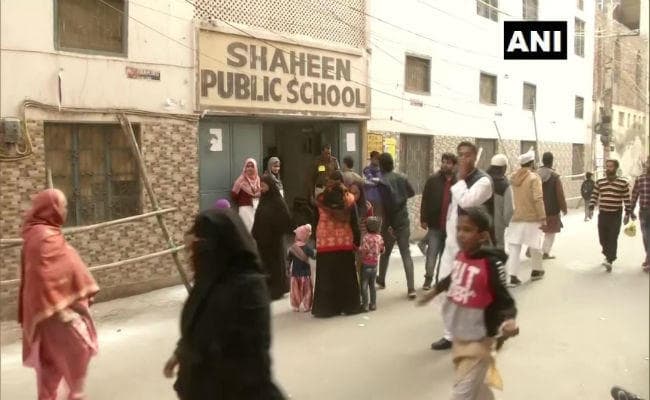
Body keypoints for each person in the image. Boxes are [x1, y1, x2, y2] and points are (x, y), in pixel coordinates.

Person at [163, 209, 285, 400]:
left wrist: (197, 362)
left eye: (199, 244)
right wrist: (180, 353)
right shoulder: (206, 284)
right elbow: (197, 327)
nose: (191, 253)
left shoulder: (249, 287)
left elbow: (248, 358)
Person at [418, 207, 519, 400]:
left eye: (467, 230)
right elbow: (452, 278)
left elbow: (504, 299)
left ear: (483, 236)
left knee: (461, 393)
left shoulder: (491, 265)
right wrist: (433, 292)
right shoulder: (461, 256)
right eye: (459, 229)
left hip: (480, 339)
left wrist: (509, 320)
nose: (461, 235)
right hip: (460, 336)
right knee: (479, 390)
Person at [19, 189, 100, 400]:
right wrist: (60, 311)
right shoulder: (42, 237)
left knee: (51, 367)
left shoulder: (43, 233)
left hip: (48, 313)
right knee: (79, 350)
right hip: (54, 314)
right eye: (63, 206)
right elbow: (42, 277)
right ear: (51, 208)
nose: (65, 211)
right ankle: (76, 394)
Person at [431, 142, 493, 351]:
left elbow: (468, 202)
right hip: (452, 244)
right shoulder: (460, 180)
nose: (463, 159)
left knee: (471, 293)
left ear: (475, 157)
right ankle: (450, 334)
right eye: (460, 155)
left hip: (471, 248)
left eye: (467, 155)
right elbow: (452, 209)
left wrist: (459, 180)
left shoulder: (483, 181)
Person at [311, 174, 362, 318]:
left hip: (325, 242)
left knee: (326, 276)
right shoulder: (350, 199)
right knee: (346, 276)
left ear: (329, 182)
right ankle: (349, 306)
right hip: (344, 242)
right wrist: (357, 242)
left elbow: (315, 220)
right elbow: (355, 222)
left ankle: (325, 309)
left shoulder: (320, 199)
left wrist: (316, 239)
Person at [375, 152, 417, 299]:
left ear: (381, 166)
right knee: (406, 253)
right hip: (403, 220)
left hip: (390, 222)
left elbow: (385, 206)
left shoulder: (381, 182)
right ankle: (411, 288)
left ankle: (381, 279)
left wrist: (385, 225)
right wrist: (402, 198)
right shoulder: (402, 177)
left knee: (385, 252)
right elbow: (412, 192)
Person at [504, 150, 546, 286]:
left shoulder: (512, 178)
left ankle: (512, 277)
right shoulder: (534, 178)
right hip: (531, 217)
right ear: (532, 163)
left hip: (515, 217)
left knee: (514, 248)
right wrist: (542, 216)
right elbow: (538, 198)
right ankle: (536, 271)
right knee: (535, 244)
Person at [419, 152, 458, 290]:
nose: (445, 165)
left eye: (448, 163)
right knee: (431, 255)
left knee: (445, 257)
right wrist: (423, 219)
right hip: (435, 225)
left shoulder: (459, 182)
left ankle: (439, 280)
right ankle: (428, 278)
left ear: (454, 165)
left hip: (450, 227)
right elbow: (425, 200)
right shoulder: (433, 180)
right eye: (443, 162)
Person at [252, 175, 293, 300]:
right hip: (262, 240)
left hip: (274, 240)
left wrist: (274, 228)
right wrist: (255, 233)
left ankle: (278, 289)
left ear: (270, 186)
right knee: (265, 264)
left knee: (276, 265)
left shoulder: (278, 201)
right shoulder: (263, 200)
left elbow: (286, 220)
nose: (261, 188)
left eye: (264, 186)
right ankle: (267, 289)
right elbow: (258, 217)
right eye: (261, 185)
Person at [589, 159, 634, 272]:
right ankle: (607, 254)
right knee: (603, 238)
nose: (608, 168)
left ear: (615, 168)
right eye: (607, 166)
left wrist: (627, 213)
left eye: (611, 166)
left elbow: (626, 199)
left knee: (613, 237)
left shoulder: (623, 183)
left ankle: (610, 260)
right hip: (603, 214)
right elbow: (594, 195)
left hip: (616, 214)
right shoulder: (600, 182)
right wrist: (591, 208)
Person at [537, 152, 568, 259]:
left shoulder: (535, 175)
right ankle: (545, 252)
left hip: (537, 208)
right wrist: (564, 208)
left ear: (542, 160)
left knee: (537, 230)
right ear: (552, 161)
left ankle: (532, 249)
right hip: (552, 209)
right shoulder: (554, 177)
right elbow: (560, 194)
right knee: (550, 232)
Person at [486, 154, 514, 250]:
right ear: (504, 167)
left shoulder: (482, 180)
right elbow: (509, 211)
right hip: (497, 226)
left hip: (481, 224)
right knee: (497, 250)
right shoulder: (505, 185)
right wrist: (506, 223)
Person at [359, 216, 385, 312]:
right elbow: (382, 250)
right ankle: (373, 304)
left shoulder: (366, 237)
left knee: (364, 284)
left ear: (367, 227)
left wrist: (359, 250)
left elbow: (364, 250)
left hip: (366, 264)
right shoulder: (379, 238)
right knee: (372, 285)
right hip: (374, 264)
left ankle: (365, 305)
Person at [287, 224, 315, 312]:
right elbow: (313, 256)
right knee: (307, 291)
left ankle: (295, 305)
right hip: (305, 273)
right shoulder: (307, 248)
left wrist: (288, 269)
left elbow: (288, 260)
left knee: (295, 290)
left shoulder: (292, 248)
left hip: (295, 273)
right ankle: (307, 305)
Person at [232, 158, 261, 231]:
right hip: (245, 208)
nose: (250, 168)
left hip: (256, 207)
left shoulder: (258, 179)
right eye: (248, 166)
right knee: (246, 229)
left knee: (255, 229)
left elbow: (260, 192)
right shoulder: (241, 180)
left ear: (255, 167)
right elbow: (234, 195)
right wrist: (243, 201)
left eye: (252, 166)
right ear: (245, 167)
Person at [631, 157, 650, 272]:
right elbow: (634, 195)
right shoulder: (640, 179)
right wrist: (630, 210)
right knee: (646, 236)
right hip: (644, 212)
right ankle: (648, 256)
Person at [363, 151, 383, 218]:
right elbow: (371, 179)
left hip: (379, 198)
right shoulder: (367, 169)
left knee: (378, 217)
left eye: (379, 159)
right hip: (369, 197)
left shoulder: (382, 170)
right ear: (371, 159)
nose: (377, 160)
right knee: (369, 217)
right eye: (376, 158)